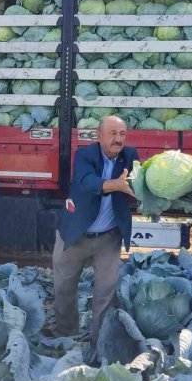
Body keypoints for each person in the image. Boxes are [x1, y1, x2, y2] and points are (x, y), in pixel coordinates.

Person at [52, 115, 138, 353]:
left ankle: (99, 341)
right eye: (112, 133)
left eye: (122, 134)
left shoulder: (130, 156)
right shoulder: (85, 155)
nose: (118, 139)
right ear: (98, 136)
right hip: (75, 234)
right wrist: (117, 185)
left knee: (105, 293)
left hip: (108, 238)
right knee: (64, 288)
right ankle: (66, 337)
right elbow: (85, 182)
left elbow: (139, 183)